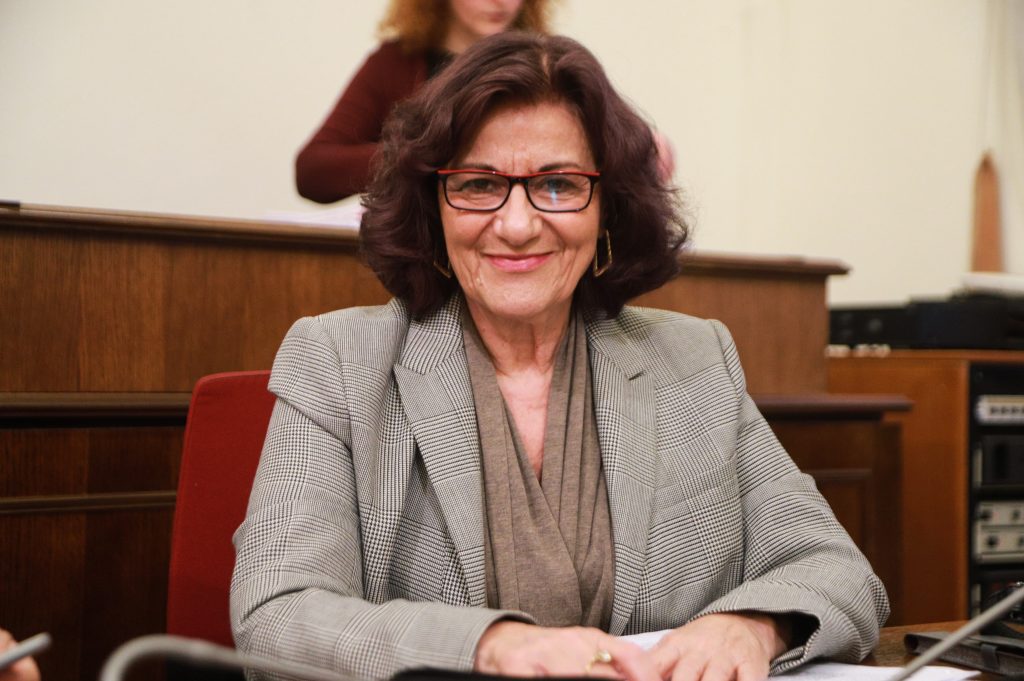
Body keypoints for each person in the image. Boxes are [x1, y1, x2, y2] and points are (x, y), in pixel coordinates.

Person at [232, 32, 888, 681]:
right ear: (434, 208)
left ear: (607, 211)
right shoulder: (340, 363)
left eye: (557, 183)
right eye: (479, 183)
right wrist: (493, 647)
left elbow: (836, 568)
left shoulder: (694, 361)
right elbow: (277, 610)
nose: (518, 225)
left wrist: (752, 625)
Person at [294, 0, 554, 204]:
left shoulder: (548, 69)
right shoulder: (396, 62)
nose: (500, 1)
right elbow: (313, 171)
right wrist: (418, 156)